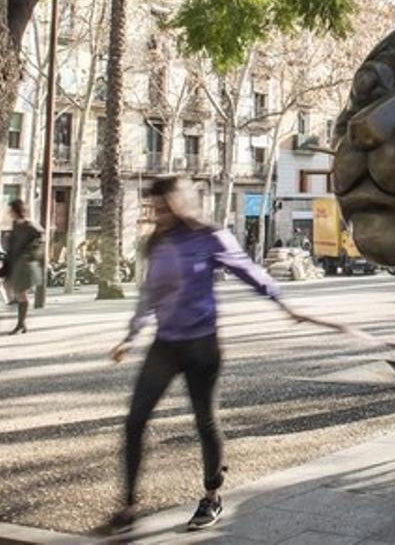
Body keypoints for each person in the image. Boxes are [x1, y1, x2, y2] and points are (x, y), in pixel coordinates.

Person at [105, 176, 311, 534]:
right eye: (153, 206)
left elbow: (248, 270)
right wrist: (132, 334)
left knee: (205, 421)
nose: (158, 212)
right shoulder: (156, 242)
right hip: (165, 344)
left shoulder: (209, 237)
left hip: (202, 344)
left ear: (181, 202)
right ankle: (127, 505)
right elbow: (149, 294)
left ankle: (211, 495)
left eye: (164, 205)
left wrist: (282, 303)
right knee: (135, 419)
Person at [2, 199, 44, 335]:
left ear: (16, 210)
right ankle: (22, 324)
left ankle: (21, 323)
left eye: (11, 210)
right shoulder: (16, 225)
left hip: (24, 264)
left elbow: (40, 239)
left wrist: (29, 255)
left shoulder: (30, 225)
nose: (9, 213)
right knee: (18, 293)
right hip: (15, 263)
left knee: (21, 294)